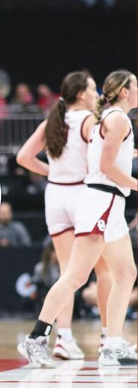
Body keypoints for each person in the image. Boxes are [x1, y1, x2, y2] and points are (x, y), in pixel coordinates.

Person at [18, 70, 138, 367]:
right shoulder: (114, 119)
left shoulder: (102, 118)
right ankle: (36, 338)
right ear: (124, 91)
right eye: (135, 85)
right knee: (76, 275)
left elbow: (107, 157)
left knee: (125, 273)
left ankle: (111, 343)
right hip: (101, 199)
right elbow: (106, 166)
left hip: (96, 199)